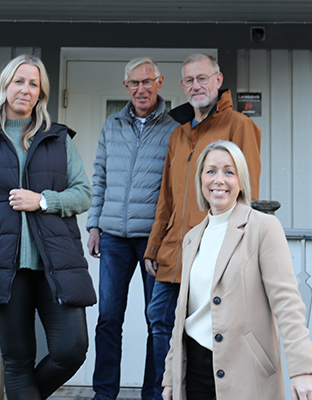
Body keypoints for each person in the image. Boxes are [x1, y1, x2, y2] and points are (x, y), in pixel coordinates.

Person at [0, 54, 95, 400]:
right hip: (4, 267)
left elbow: (84, 194)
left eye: (33, 84)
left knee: (71, 349)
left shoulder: (58, 140)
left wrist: (43, 201)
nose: (25, 90)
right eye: (19, 81)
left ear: (41, 94)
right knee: (17, 361)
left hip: (55, 265)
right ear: (5, 87)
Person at [162, 140, 312, 400]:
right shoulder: (192, 238)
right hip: (193, 371)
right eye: (210, 171)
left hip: (246, 371)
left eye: (229, 171)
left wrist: (303, 368)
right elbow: (183, 315)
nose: (219, 180)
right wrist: (171, 376)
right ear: (200, 179)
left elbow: (287, 302)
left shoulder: (263, 228)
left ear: (241, 180)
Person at [143, 53, 262, 400]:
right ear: (182, 86)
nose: (196, 86)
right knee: (160, 324)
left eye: (202, 78)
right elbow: (166, 197)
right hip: (172, 254)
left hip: (212, 255)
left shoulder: (239, 126)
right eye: (189, 81)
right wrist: (153, 246)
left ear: (218, 79)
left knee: (210, 335)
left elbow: (247, 190)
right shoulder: (178, 135)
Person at [87, 57, 179, 400]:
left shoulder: (173, 130)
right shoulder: (112, 125)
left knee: (157, 321)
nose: (141, 89)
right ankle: (104, 393)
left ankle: (155, 393)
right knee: (108, 318)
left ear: (159, 82)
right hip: (112, 238)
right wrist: (94, 224)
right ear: (126, 87)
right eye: (133, 84)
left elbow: (173, 189)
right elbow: (100, 177)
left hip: (153, 241)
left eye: (147, 82)